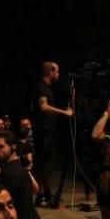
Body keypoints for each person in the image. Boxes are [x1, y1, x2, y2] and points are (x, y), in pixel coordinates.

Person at [31, 61, 72, 206]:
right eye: (57, 71)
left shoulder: (47, 88)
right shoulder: (42, 88)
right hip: (44, 133)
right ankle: (42, 195)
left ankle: (46, 194)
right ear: (50, 72)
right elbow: (43, 106)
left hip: (48, 133)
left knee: (47, 165)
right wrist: (64, 112)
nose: (58, 74)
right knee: (43, 164)